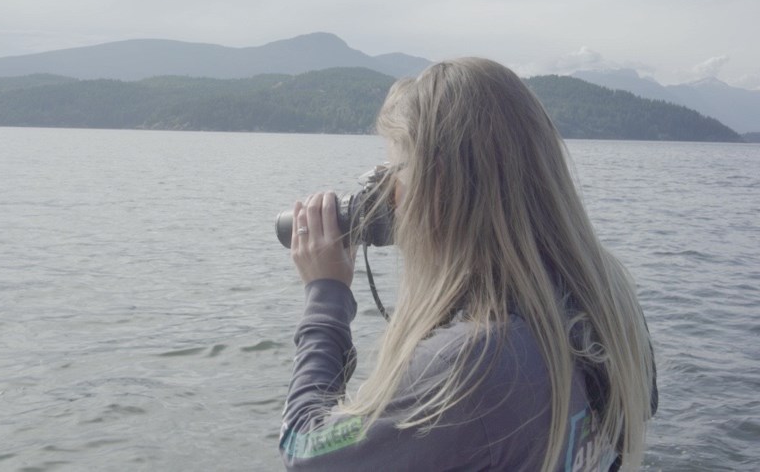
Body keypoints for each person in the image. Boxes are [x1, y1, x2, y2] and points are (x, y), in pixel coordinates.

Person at [280, 58, 657, 471]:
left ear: (436, 185)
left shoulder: (471, 366)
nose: (389, 201)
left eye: (394, 178)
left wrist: (325, 294)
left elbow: (305, 451)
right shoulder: (608, 298)